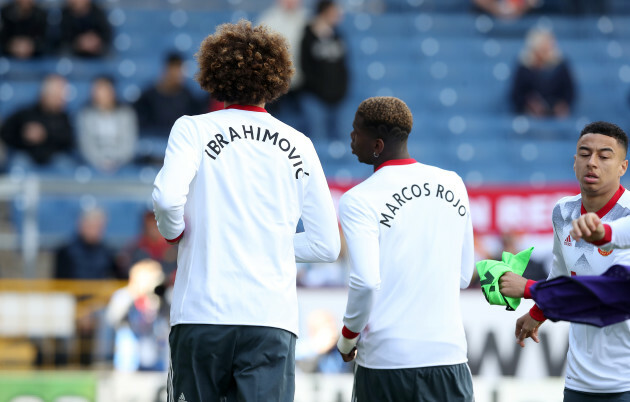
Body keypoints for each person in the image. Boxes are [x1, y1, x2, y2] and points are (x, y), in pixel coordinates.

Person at [152, 20, 340, 401]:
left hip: (202, 316)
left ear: (213, 74)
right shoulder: (299, 144)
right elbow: (326, 246)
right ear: (276, 77)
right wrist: (265, 242)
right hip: (270, 319)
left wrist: (174, 232)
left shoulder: (192, 129)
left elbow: (168, 198)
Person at [335, 97, 475, 401]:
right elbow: (463, 276)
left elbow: (366, 282)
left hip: (387, 361)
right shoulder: (453, 183)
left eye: (356, 131)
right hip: (449, 356)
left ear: (378, 144)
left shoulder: (358, 199)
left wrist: (347, 339)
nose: (351, 137)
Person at [499, 121, 630, 401]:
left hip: (625, 381)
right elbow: (562, 276)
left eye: (604, 156)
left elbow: (606, 296)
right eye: (584, 154)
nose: (592, 162)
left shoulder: (627, 220)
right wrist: (539, 311)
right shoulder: (563, 211)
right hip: (578, 381)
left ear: (623, 167)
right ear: (574, 162)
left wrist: (528, 288)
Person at [0, 74, 74, 166]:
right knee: (18, 162)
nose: (61, 100)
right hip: (26, 157)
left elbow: (69, 141)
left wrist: (45, 134)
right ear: (44, 95)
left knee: (64, 164)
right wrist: (23, 135)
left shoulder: (64, 118)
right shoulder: (25, 114)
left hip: (54, 160)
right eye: (56, 96)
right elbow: (6, 133)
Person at [300, 0, 348, 140]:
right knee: (317, 139)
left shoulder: (338, 36)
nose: (338, 16)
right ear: (324, 13)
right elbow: (305, 68)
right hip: (314, 98)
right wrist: (319, 91)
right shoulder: (307, 36)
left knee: (340, 140)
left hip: (338, 99)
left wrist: (341, 91)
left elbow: (343, 67)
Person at [257, 0, 309, 131]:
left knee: (301, 123)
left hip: (300, 82)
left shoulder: (307, 20)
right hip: (275, 82)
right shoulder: (268, 19)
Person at [134, 52, 206, 137]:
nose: (178, 74)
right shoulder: (148, 96)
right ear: (166, 69)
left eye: (180, 69)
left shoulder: (188, 96)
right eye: (175, 69)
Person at [76, 76, 138, 172]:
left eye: (104, 89)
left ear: (112, 91)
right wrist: (101, 162)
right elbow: (86, 145)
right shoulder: (85, 115)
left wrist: (115, 161)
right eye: (97, 89)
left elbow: (128, 145)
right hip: (93, 166)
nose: (99, 94)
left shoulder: (126, 114)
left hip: (122, 166)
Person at [510, 28, 575, 118]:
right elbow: (516, 94)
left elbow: (570, 92)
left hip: (557, 114)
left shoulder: (561, 66)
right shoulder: (523, 67)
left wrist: (562, 105)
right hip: (530, 115)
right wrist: (528, 104)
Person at [55, 207, 120, 279]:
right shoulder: (65, 252)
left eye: (98, 226)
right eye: (91, 226)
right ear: (81, 225)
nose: (95, 230)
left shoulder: (108, 253)